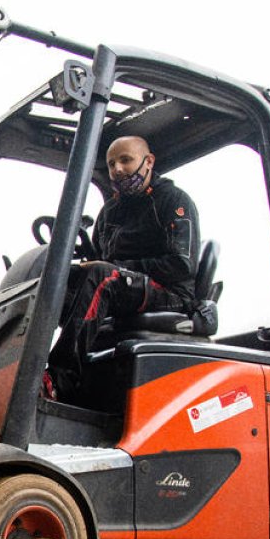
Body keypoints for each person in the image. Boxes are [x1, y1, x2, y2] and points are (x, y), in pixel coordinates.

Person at [44, 135, 200, 402]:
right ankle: (26, 367)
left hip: (169, 292)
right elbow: (97, 259)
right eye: (112, 163)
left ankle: (61, 378)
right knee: (58, 278)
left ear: (148, 161)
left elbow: (181, 265)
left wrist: (116, 268)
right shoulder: (110, 212)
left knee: (102, 278)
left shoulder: (172, 200)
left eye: (125, 160)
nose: (117, 169)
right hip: (124, 287)